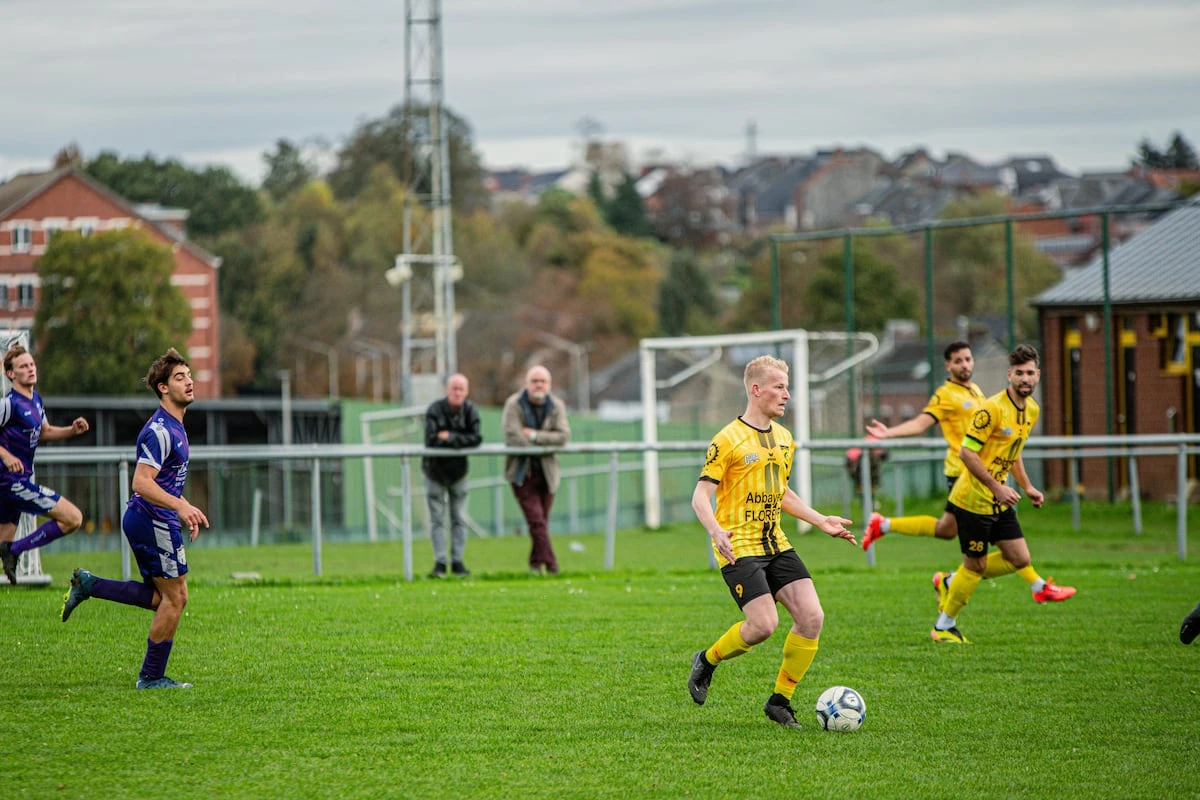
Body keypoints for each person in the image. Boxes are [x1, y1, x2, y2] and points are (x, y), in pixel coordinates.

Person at [687, 355, 857, 728]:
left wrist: (819, 519)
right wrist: (715, 530)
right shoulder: (727, 438)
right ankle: (707, 660)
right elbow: (700, 496)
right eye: (780, 387)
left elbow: (781, 493)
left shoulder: (784, 438)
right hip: (738, 545)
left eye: (787, 386)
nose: (787, 394)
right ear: (756, 389)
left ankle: (780, 701)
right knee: (763, 625)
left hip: (775, 542)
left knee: (812, 617)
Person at [60, 348, 209, 690]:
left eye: (188, 376)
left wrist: (185, 506)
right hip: (151, 520)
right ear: (162, 388)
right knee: (176, 598)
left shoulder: (175, 426)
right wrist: (181, 508)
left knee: (163, 598)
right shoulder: (159, 430)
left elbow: (164, 481)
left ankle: (90, 584)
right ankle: (151, 678)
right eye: (179, 378)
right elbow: (141, 482)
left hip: (155, 519)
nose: (188, 382)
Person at [931, 345, 1075, 644]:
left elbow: (1013, 453)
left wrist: (1028, 487)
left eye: (1030, 373)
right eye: (1019, 373)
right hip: (972, 499)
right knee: (977, 565)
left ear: (1038, 375)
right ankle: (944, 626)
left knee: (1018, 557)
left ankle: (950, 582)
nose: (1025, 378)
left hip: (1000, 498)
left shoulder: (1031, 410)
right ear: (1009, 375)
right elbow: (967, 453)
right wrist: (997, 486)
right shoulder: (991, 409)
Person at [860, 341, 983, 549]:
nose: (965, 365)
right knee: (999, 531)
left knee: (947, 529)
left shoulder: (976, 390)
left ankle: (883, 524)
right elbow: (920, 423)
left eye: (968, 359)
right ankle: (1036, 582)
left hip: (976, 469)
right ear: (948, 366)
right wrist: (889, 432)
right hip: (963, 471)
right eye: (958, 361)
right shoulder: (946, 394)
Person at [0, 345, 90, 584]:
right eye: (23, 366)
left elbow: (45, 432)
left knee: (2, 544)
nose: (30, 369)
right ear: (11, 374)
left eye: (31, 364)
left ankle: (11, 549)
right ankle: (15, 549)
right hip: (10, 482)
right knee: (73, 518)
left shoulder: (36, 400)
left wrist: (72, 430)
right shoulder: (9, 404)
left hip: (16, 483)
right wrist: (6, 456)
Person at [503, 365, 570, 575]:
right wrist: (544, 445)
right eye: (534, 381)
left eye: (543, 381)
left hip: (548, 474)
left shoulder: (556, 405)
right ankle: (552, 566)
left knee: (540, 524)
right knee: (537, 522)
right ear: (527, 383)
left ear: (549, 385)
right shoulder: (514, 405)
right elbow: (513, 436)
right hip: (522, 474)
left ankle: (535, 564)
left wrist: (533, 436)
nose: (538, 385)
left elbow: (563, 436)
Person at [422, 373, 482, 578]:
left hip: (459, 473)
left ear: (466, 391)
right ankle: (440, 562)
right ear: (447, 390)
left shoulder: (470, 411)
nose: (457, 392)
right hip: (434, 472)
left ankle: (457, 561)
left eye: (461, 389)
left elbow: (476, 438)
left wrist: (450, 437)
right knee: (437, 520)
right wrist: (460, 440)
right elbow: (430, 440)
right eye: (453, 388)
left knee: (459, 518)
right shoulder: (434, 410)